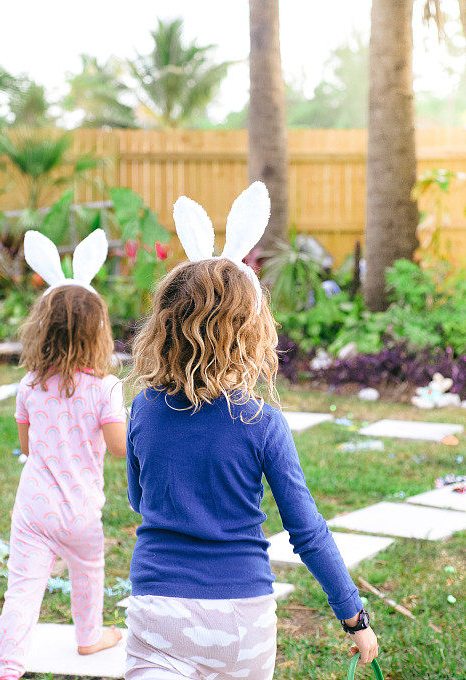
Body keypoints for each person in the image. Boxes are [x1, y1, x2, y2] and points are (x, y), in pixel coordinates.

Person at [123, 183, 378, 680]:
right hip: (241, 618)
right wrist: (354, 616)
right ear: (252, 331)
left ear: (165, 325)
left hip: (157, 608)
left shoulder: (143, 408)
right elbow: (306, 530)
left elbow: (139, 499)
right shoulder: (261, 422)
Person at [0, 230, 127, 680]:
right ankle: (90, 636)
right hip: (82, 510)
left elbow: (27, 447)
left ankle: (6, 666)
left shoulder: (29, 385)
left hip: (34, 509)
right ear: (99, 332)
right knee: (89, 571)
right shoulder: (106, 388)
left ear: (41, 329)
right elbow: (119, 449)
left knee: (23, 591)